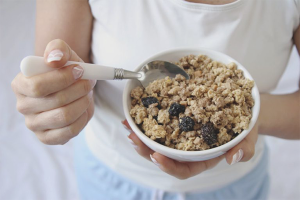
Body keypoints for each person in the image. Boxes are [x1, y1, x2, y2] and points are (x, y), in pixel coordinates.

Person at [11, 0, 300, 199]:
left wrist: (254, 117)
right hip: (111, 179)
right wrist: (56, 102)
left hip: (235, 184)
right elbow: (55, 80)